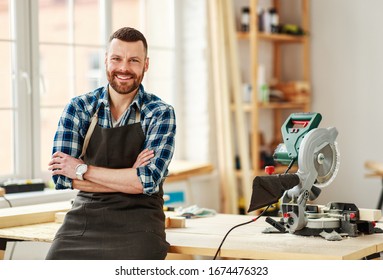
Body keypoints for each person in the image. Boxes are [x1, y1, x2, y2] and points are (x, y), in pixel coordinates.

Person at [46, 27, 176, 260]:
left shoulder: (160, 113)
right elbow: (62, 178)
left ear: (145, 65)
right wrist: (130, 178)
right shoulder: (79, 108)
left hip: (140, 223)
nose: (124, 68)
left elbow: (147, 180)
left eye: (133, 60)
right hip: (84, 219)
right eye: (116, 59)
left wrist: (82, 170)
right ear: (106, 60)